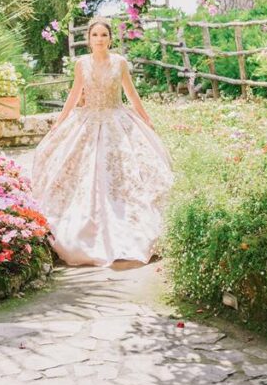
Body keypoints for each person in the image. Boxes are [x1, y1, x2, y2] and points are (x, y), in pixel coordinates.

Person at [30, 16, 175, 267]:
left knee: (125, 173)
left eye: (104, 35)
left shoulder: (120, 63)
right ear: (89, 39)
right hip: (87, 121)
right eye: (95, 35)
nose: (99, 39)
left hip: (116, 120)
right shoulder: (81, 64)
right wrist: (59, 121)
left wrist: (146, 118)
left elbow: (131, 93)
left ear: (110, 39)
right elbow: (74, 95)